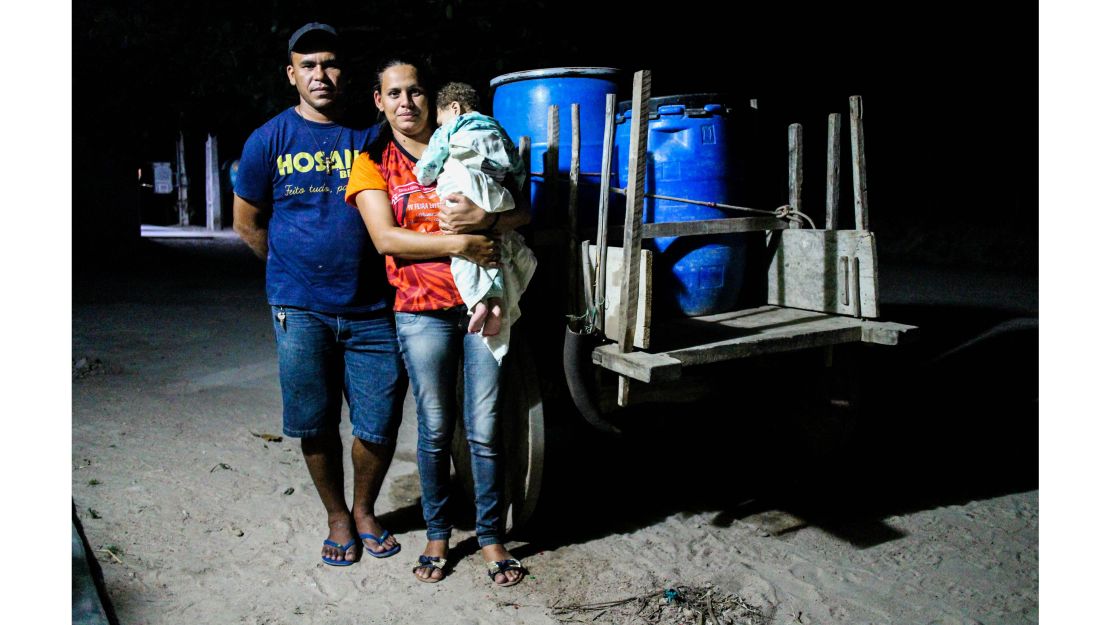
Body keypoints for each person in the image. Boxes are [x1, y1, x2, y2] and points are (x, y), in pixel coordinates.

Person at [345, 60, 530, 587]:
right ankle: (438, 533)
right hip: (420, 312)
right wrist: (461, 242)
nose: (406, 102)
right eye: (394, 93)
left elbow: (524, 211)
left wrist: (488, 221)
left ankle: (492, 538)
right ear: (379, 101)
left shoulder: (468, 137)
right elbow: (387, 239)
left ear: (431, 98)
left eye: (416, 91)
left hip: (484, 303)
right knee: (432, 428)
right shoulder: (373, 161)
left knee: (487, 427)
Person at [232, 23, 406, 567]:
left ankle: (364, 508)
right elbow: (247, 223)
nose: (320, 74)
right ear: (292, 75)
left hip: (375, 308)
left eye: (329, 63)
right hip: (299, 308)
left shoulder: (371, 133)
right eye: (308, 65)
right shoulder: (268, 139)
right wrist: (293, 273)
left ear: (343, 71)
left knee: (379, 422)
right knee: (314, 421)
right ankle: (337, 516)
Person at [412, 82, 536, 364]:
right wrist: (509, 188)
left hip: (463, 186)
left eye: (441, 118)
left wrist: (423, 175)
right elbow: (517, 168)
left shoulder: (451, 129)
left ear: (454, 108)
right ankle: (495, 304)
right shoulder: (499, 130)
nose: (439, 124)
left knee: (463, 249)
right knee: (493, 246)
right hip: (495, 192)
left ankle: (478, 301)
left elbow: (431, 161)